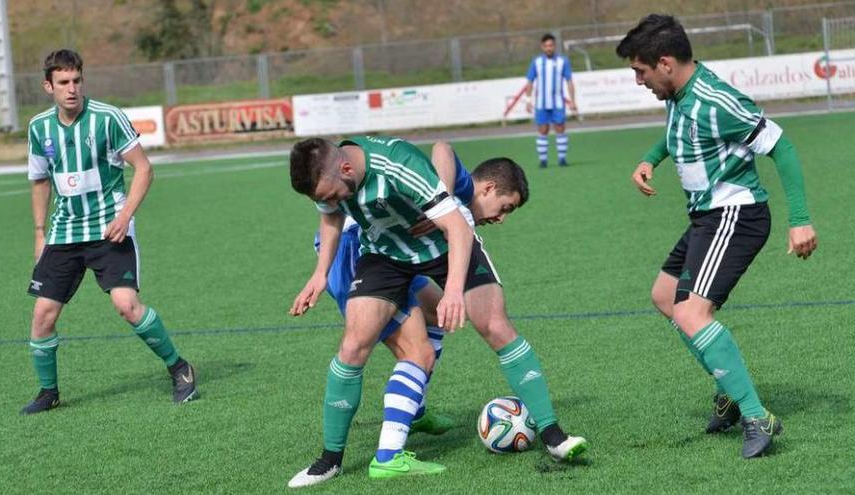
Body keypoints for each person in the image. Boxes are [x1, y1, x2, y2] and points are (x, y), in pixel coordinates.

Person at [287, 136, 587, 486]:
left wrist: (454, 291)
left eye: (332, 194)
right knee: (353, 346)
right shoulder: (332, 176)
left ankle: (553, 436)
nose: (331, 201)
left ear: (348, 169)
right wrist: (319, 275)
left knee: (493, 325)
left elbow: (458, 228)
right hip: (385, 255)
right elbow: (331, 216)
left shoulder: (397, 164)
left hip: (445, 247)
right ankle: (329, 461)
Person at [616, 15, 818, 459]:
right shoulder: (679, 94)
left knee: (692, 313)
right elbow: (680, 134)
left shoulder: (717, 99)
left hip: (736, 214)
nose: (639, 81)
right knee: (666, 295)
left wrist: (799, 219)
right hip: (706, 218)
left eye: (641, 71)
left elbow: (781, 145)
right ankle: (728, 389)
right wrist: (651, 158)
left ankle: (755, 415)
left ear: (665, 63)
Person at [22, 49, 198, 415]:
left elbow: (144, 169)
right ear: (48, 86)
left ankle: (179, 368)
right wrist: (40, 232)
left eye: (77, 81)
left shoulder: (108, 118)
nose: (72, 89)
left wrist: (125, 216)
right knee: (42, 316)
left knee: (127, 306)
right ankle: (48, 391)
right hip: (64, 232)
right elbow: (39, 180)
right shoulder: (39, 128)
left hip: (108, 227)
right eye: (63, 83)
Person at [525, 33, 577, 168]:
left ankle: (562, 159)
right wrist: (528, 100)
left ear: (554, 46)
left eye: (551, 45)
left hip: (558, 103)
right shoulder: (536, 62)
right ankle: (543, 161)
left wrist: (572, 100)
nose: (549, 48)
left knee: (560, 128)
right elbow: (530, 82)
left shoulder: (562, 61)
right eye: (546, 46)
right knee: (543, 130)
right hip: (541, 104)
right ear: (542, 47)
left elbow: (569, 81)